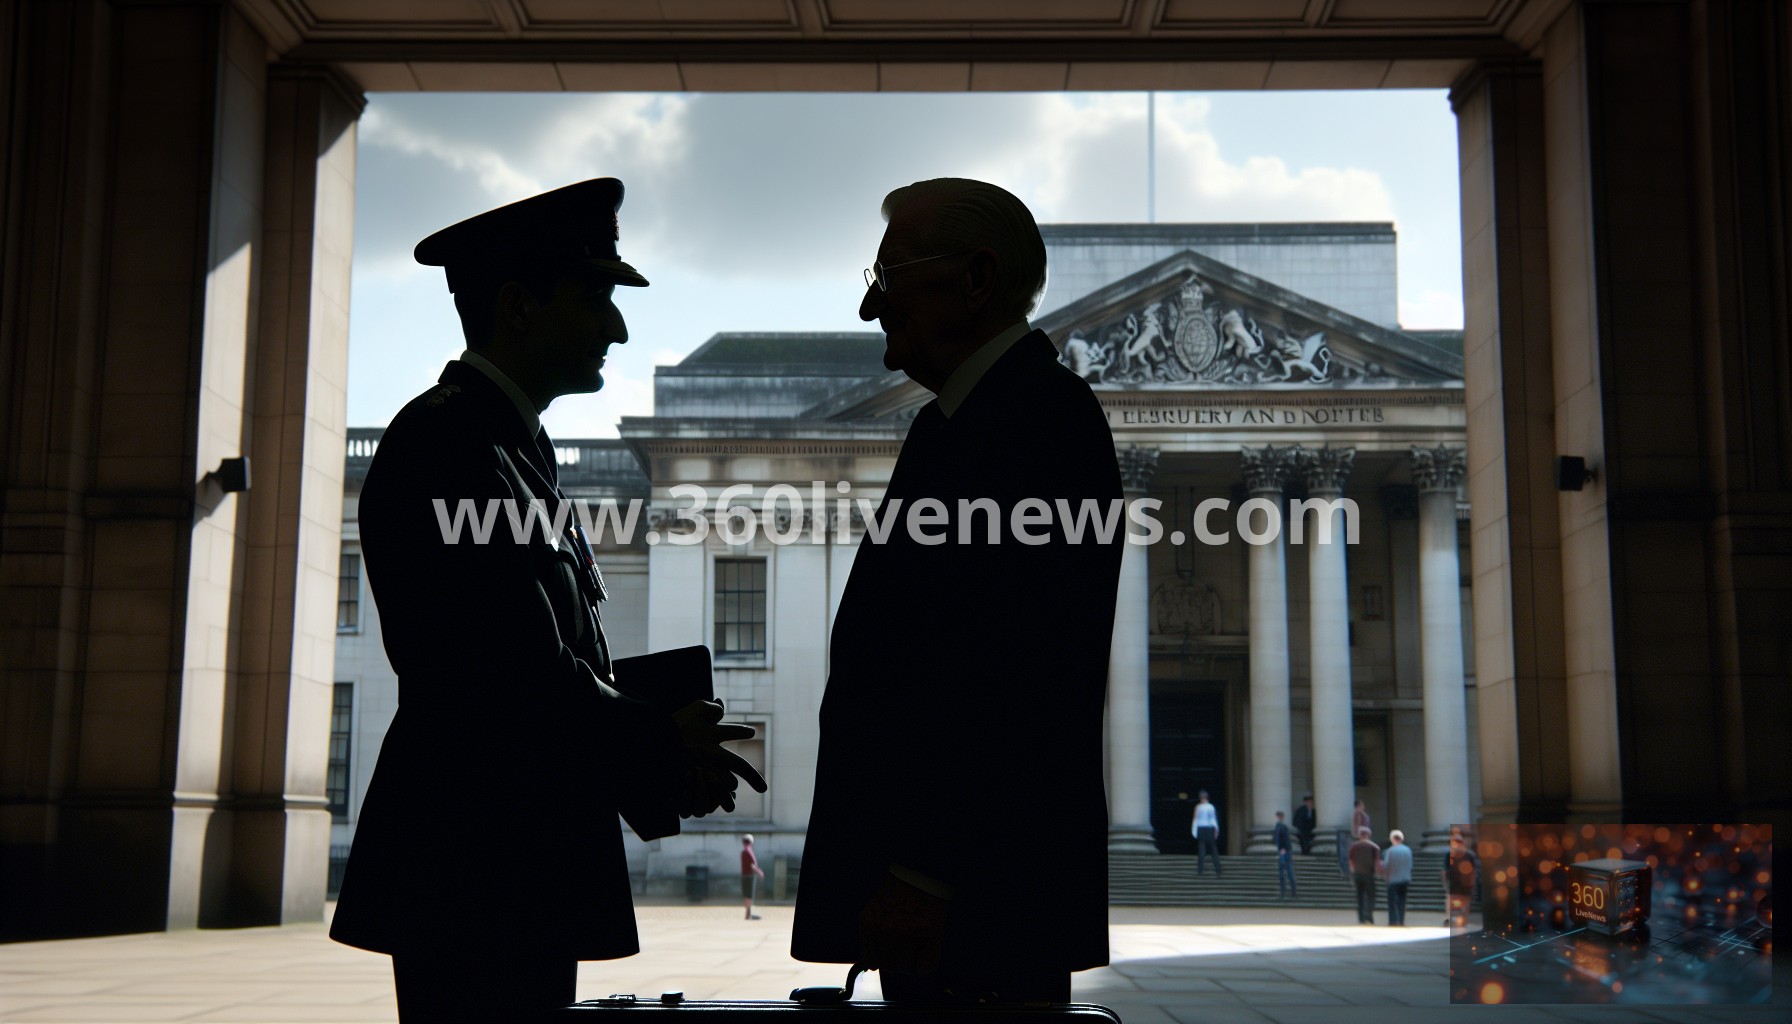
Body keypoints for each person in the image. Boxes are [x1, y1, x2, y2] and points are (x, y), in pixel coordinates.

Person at [328, 178, 766, 1022]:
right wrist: (658, 735)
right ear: (519, 306)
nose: (617, 327)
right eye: (595, 298)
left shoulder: (511, 446)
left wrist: (660, 758)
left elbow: (551, 660)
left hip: (509, 851)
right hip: (474, 858)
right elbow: (507, 670)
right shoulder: (450, 442)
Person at [791, 178, 1124, 1005]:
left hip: (973, 894)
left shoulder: (1039, 418)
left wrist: (926, 869)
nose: (871, 304)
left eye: (891, 274)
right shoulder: (959, 421)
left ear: (976, 278)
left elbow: (1019, 671)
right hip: (949, 888)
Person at [1445, 831, 1479, 931]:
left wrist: (1445, 882)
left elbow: (1445, 871)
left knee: (1456, 902)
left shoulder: (1451, 854)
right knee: (1462, 902)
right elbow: (1473, 871)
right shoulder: (1468, 855)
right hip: (1460, 884)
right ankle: (1462, 922)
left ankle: (1454, 920)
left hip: (1459, 884)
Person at [1347, 827, 1381, 925]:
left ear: (1359, 836)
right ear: (1368, 836)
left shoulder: (1354, 846)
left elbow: (1350, 860)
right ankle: (1369, 917)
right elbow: (1377, 861)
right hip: (1368, 874)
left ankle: (1361, 918)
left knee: (1359, 897)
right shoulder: (1374, 847)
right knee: (1371, 896)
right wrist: (1378, 872)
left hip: (1358, 874)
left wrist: (1353, 871)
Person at [1381, 829, 1412, 926]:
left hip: (1393, 880)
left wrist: (1385, 876)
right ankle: (1401, 921)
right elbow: (1410, 865)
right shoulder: (1408, 850)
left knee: (1392, 902)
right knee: (1402, 901)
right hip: (1405, 879)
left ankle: (1393, 921)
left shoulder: (1390, 851)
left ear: (1393, 839)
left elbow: (1386, 865)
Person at [1191, 791, 1221, 877]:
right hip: (1206, 828)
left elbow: (1197, 819)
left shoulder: (1204, 807)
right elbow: (1211, 819)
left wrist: (1194, 831)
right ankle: (1214, 870)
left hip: (1204, 828)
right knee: (1208, 850)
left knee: (1207, 849)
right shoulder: (1206, 807)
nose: (1202, 799)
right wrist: (1216, 830)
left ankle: (1204, 871)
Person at [1273, 811, 1297, 898]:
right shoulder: (1281, 826)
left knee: (1284, 873)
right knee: (1286, 872)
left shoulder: (1280, 827)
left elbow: (1280, 839)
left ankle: (1286, 892)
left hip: (1284, 851)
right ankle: (1290, 892)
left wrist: (1282, 849)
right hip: (1285, 850)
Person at [742, 834, 765, 921]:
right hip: (749, 876)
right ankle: (748, 914)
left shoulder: (744, 852)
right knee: (749, 895)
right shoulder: (748, 851)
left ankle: (747, 913)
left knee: (746, 895)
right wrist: (759, 872)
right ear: (751, 842)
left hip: (744, 875)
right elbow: (752, 865)